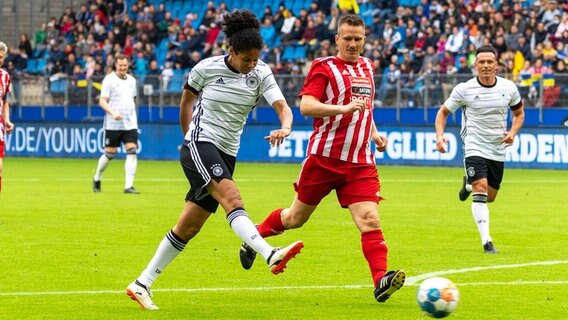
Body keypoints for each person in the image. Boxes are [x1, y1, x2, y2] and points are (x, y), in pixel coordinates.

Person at [126, 10, 303, 310]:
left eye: (255, 59)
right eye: (246, 59)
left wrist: (285, 127)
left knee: (189, 226)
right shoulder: (206, 69)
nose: (251, 65)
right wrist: (187, 137)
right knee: (233, 199)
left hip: (226, 153)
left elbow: (283, 106)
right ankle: (270, 254)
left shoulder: (261, 73)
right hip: (200, 143)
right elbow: (186, 101)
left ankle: (141, 283)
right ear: (231, 51)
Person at [238, 14, 405, 304]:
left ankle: (380, 280)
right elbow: (306, 106)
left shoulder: (367, 66)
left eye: (358, 38)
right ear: (337, 39)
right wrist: (342, 109)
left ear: (365, 40)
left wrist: (374, 133)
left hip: (360, 162)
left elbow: (364, 109)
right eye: (348, 38)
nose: (353, 44)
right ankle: (252, 238)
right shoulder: (324, 67)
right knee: (294, 218)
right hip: (324, 158)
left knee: (370, 218)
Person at [434, 45, 525, 254]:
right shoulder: (464, 89)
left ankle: (467, 185)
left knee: (490, 196)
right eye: (481, 62)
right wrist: (440, 136)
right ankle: (487, 242)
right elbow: (443, 113)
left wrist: (513, 132)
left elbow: (519, 114)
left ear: (497, 65)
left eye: (489, 62)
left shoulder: (509, 88)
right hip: (474, 144)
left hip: (497, 148)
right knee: (481, 189)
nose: (485, 66)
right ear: (475, 65)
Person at [92, 53, 140, 194]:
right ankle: (97, 176)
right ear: (115, 65)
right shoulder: (109, 80)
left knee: (132, 151)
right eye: (120, 65)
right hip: (113, 124)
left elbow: (133, 99)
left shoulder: (132, 80)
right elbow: (102, 101)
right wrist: (113, 113)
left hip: (130, 123)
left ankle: (128, 186)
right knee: (110, 154)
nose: (123, 68)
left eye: (125, 65)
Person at [0, 41, 14, 193]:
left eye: (1, 57)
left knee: (0, 167)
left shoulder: (5, 76)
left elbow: (4, 102)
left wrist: (7, 120)